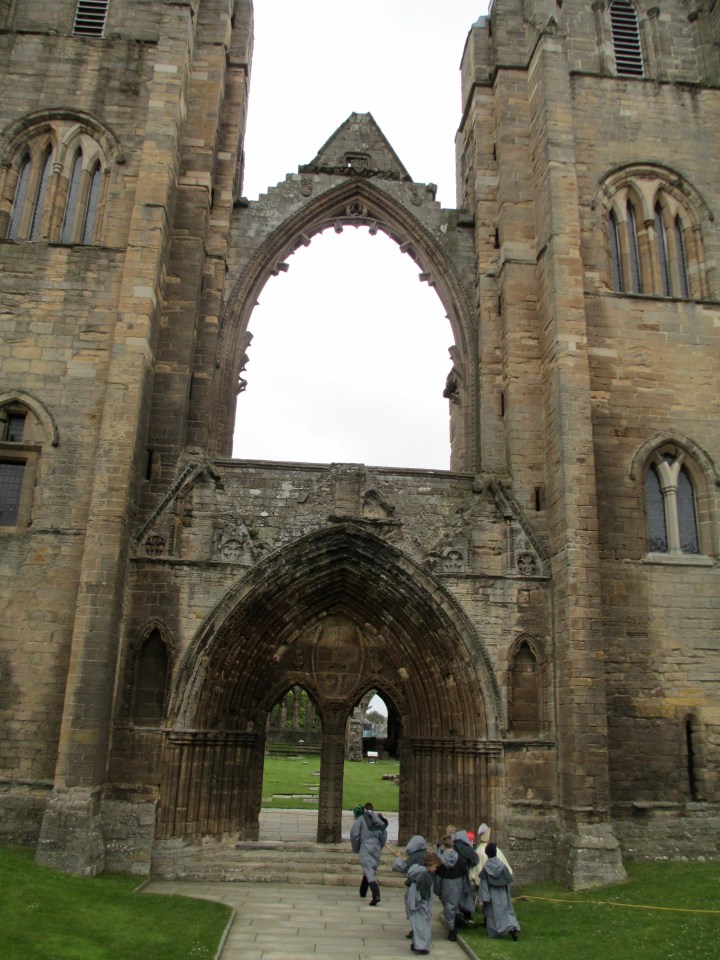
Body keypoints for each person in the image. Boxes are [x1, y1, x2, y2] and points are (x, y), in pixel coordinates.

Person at [434, 825, 478, 940]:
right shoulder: (459, 858)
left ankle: (452, 929)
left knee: (448, 907)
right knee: (454, 904)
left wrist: (437, 891)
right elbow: (464, 873)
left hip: (446, 884)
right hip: (457, 884)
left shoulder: (440, 860)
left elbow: (438, 877)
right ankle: (457, 917)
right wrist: (464, 885)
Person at [479, 842, 520, 941]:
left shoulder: (486, 868)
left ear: (487, 853)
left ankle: (496, 932)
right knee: (507, 911)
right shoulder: (502, 865)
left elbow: (484, 885)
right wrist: (507, 893)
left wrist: (485, 898)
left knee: (493, 914)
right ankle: (512, 927)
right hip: (503, 892)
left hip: (492, 893)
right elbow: (508, 880)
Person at [349, 801, 389, 905]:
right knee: (370, 868)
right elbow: (384, 834)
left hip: (366, 846)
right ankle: (363, 891)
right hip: (377, 847)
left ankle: (376, 895)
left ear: (365, 810)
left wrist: (356, 848)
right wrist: (380, 846)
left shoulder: (362, 819)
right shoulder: (379, 819)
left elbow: (354, 834)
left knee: (368, 868)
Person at [392, 835, 428, 938]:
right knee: (424, 908)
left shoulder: (414, 856)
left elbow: (402, 867)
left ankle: (415, 930)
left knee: (412, 907)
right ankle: (421, 929)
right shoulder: (427, 854)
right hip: (426, 885)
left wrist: (399, 858)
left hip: (414, 885)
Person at [405, 852, 441, 955]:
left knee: (417, 925)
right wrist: (423, 904)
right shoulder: (425, 875)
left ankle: (416, 943)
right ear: (429, 864)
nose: (435, 869)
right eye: (435, 867)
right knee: (422, 925)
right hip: (419, 904)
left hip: (414, 903)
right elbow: (423, 894)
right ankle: (421, 947)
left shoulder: (418, 871)